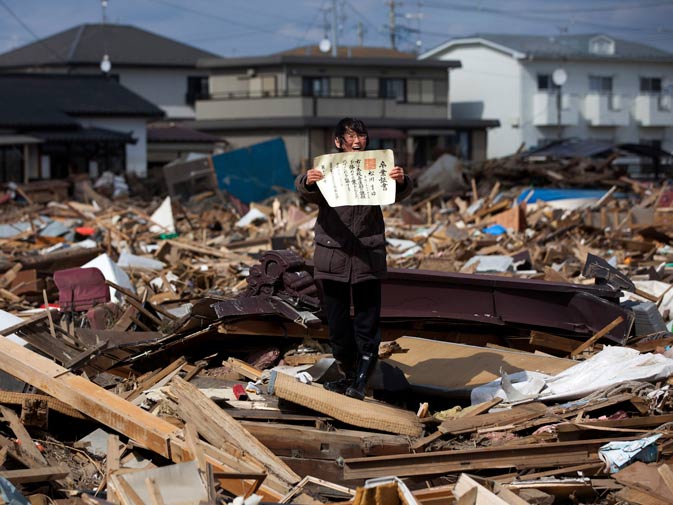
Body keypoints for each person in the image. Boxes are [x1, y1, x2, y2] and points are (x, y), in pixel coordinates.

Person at [295, 117, 412, 400]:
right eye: (351, 137)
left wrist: (402, 180)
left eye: (361, 136)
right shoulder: (328, 169)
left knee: (366, 324)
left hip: (367, 255)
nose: (357, 142)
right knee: (336, 323)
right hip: (332, 254)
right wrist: (307, 181)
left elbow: (398, 193)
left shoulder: (377, 165)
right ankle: (347, 373)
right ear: (338, 142)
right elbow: (304, 192)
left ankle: (361, 381)